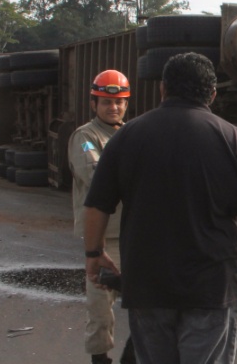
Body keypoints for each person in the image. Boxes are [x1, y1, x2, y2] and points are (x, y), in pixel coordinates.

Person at [82, 52, 237, 364]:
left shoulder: (128, 136)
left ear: (163, 89)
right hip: (210, 288)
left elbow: (96, 206)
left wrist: (93, 254)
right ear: (212, 94)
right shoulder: (235, 141)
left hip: (147, 286)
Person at [69, 69, 134, 364]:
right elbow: (95, 175)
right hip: (103, 239)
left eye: (120, 102)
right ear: (94, 104)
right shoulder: (85, 136)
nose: (114, 108)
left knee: (147, 305)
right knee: (100, 308)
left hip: (134, 234)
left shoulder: (131, 134)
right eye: (107, 103)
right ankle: (100, 358)